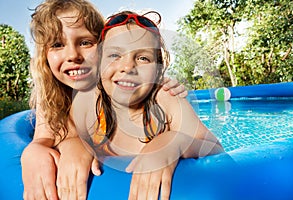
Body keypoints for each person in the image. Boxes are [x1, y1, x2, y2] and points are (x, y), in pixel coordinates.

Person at [20, 1, 187, 200]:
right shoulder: (51, 96)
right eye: (57, 44)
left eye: (85, 42)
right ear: (44, 57)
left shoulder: (124, 91)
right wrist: (35, 152)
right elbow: (43, 138)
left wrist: (170, 139)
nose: (73, 55)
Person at [72, 10, 224, 200]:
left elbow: (215, 148)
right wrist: (72, 145)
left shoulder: (166, 99)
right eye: (114, 55)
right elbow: (60, 133)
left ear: (158, 70)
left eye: (143, 58)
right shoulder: (89, 102)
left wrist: (174, 141)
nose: (127, 67)